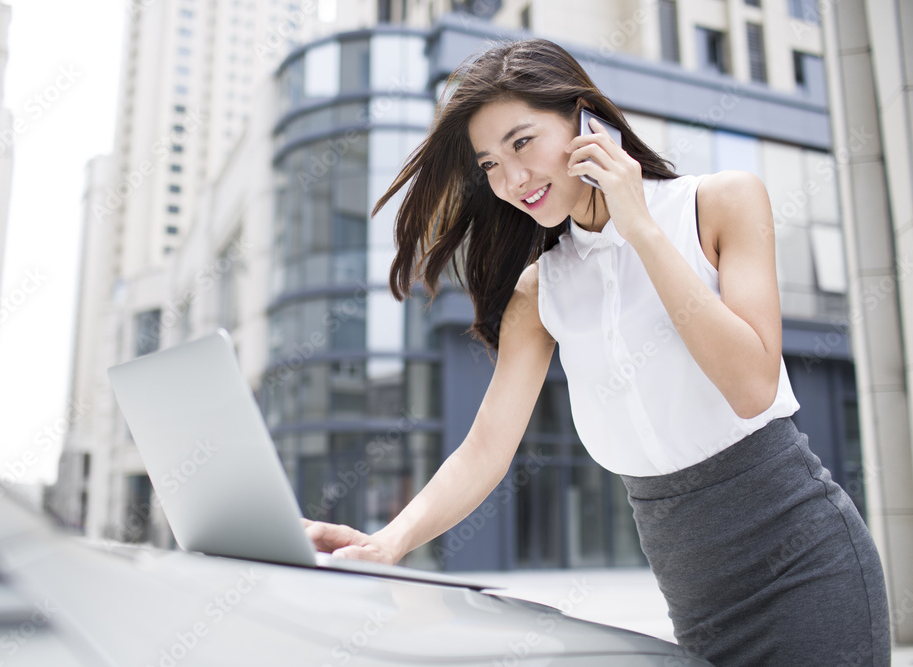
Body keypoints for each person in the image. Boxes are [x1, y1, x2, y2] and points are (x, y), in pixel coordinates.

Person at [303, 38, 890, 666]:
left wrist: (638, 226)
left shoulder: (721, 202)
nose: (513, 179)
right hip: (699, 607)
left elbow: (753, 387)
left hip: (807, 570)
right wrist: (389, 544)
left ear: (586, 120)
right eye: (490, 165)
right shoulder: (541, 289)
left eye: (522, 143)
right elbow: (485, 449)